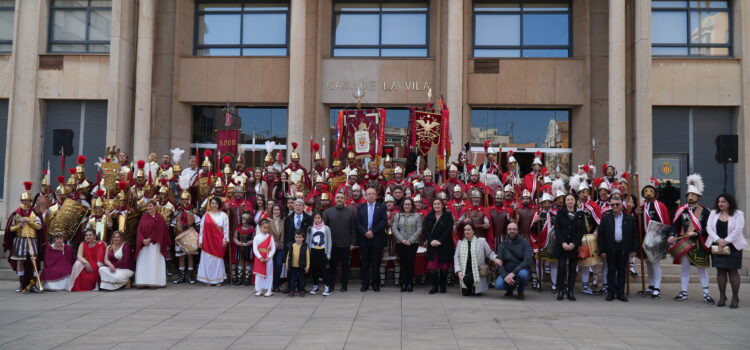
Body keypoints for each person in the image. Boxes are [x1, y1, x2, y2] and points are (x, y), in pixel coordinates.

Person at [668, 174, 713, 303]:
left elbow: (709, 229)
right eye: (688, 195)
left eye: (693, 195)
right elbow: (675, 225)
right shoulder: (682, 210)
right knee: (684, 267)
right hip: (684, 241)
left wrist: (698, 234)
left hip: (699, 242)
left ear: (699, 197)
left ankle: (706, 293)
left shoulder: (705, 211)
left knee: (701, 268)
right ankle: (683, 292)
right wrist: (671, 236)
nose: (690, 197)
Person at [706, 193, 746, 308]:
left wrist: (726, 241)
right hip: (717, 246)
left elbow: (738, 230)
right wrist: (718, 240)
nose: (720, 204)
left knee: (733, 272)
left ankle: (735, 297)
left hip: (733, 246)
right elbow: (709, 227)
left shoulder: (738, 214)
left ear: (729, 202)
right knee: (721, 271)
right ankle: (722, 296)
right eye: (719, 201)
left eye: (723, 201)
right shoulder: (714, 213)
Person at [597, 197, 639, 302]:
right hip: (610, 247)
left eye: (617, 204)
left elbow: (634, 234)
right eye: (613, 205)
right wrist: (602, 250)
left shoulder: (629, 218)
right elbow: (600, 234)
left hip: (624, 247)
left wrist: (634, 249)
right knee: (611, 270)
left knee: (621, 271)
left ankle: (620, 293)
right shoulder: (606, 218)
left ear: (621, 205)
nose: (615, 207)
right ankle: (610, 293)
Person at [4, 182, 43, 293]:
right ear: (21, 201)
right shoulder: (16, 213)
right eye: (24, 201)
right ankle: (22, 284)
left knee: (34, 261)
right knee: (20, 262)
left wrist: (29, 222)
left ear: (31, 201)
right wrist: (19, 226)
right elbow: (10, 229)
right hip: (20, 240)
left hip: (32, 239)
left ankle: (34, 284)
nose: (26, 202)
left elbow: (39, 227)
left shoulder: (35, 212)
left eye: (28, 201)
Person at [637, 177, 671, 298]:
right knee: (648, 263)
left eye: (650, 191)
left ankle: (657, 286)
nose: (648, 193)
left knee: (655, 262)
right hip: (645, 238)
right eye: (646, 191)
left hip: (656, 237)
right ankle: (651, 286)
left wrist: (664, 238)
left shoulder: (660, 206)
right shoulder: (641, 206)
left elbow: (665, 221)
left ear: (655, 193)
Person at [356, 188, 388, 292]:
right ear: (365, 196)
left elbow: (384, 222)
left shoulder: (382, 207)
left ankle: (375, 284)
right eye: (368, 194)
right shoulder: (360, 207)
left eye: (372, 194)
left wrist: (372, 232)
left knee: (376, 263)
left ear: (376, 195)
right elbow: (357, 223)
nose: (370, 196)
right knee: (365, 263)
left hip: (376, 238)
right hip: (364, 239)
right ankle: (364, 284)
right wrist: (365, 232)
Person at [324, 192, 357, 292]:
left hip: (346, 244)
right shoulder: (328, 212)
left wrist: (353, 243)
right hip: (332, 245)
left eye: (341, 198)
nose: (339, 199)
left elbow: (353, 229)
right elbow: (325, 229)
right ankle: (331, 285)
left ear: (345, 199)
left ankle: (344, 285)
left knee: (345, 267)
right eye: (337, 197)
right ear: (334, 199)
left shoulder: (350, 212)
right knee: (332, 266)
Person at [454, 224, 499, 296]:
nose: (466, 231)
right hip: (465, 272)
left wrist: (495, 259)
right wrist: (458, 271)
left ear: (473, 231)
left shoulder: (481, 241)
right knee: (466, 294)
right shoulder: (460, 243)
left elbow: (489, 253)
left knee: (475, 293)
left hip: (477, 272)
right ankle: (467, 284)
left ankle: (474, 286)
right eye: (465, 230)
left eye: (469, 230)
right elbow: (456, 257)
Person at [134, 199, 171, 288]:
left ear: (155, 207)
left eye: (151, 206)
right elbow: (139, 230)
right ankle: (142, 281)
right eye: (148, 206)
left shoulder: (160, 218)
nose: (149, 208)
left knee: (153, 262)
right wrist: (142, 239)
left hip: (154, 244)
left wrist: (150, 239)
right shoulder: (144, 218)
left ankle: (154, 282)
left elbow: (160, 230)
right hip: (144, 245)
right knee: (144, 262)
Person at [554, 194, 584, 301]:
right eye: (568, 200)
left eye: (572, 199)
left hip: (573, 246)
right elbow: (557, 229)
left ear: (575, 201)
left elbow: (581, 230)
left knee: (572, 268)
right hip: (562, 245)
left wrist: (573, 243)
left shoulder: (580, 214)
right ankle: (561, 290)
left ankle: (570, 291)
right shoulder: (560, 213)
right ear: (565, 202)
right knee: (561, 268)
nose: (570, 201)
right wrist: (563, 242)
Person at [424, 198, 455, 294]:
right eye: (435, 204)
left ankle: (443, 286)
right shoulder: (429, 216)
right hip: (432, 244)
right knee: (432, 266)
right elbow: (426, 230)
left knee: (443, 266)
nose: (436, 205)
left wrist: (440, 241)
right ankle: (434, 286)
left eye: (438, 204)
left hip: (444, 244)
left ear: (442, 205)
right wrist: (431, 240)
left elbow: (448, 230)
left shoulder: (448, 215)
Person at [494, 223, 533, 299]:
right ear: (507, 231)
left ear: (518, 231)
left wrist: (513, 273)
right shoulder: (502, 244)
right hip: (507, 271)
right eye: (510, 229)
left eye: (514, 229)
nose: (512, 231)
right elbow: (499, 262)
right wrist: (505, 276)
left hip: (520, 270)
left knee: (523, 275)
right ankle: (510, 288)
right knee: (499, 285)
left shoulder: (525, 243)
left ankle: (520, 291)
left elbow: (528, 260)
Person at [197, 197, 230, 286]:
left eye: (215, 203)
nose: (214, 205)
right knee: (207, 260)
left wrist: (225, 240)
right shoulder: (206, 215)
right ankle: (209, 280)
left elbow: (226, 229)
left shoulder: (223, 215)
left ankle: (218, 279)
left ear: (219, 204)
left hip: (218, 241)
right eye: (212, 203)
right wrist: (200, 241)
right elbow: (202, 229)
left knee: (217, 260)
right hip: (207, 241)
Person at [392, 198, 422, 292]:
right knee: (403, 262)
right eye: (405, 204)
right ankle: (403, 283)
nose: (407, 206)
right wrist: (402, 240)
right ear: (403, 205)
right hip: (401, 243)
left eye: (409, 204)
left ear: (412, 205)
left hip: (413, 243)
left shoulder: (417, 216)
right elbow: (394, 229)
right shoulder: (398, 215)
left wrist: (410, 240)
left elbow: (419, 229)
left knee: (410, 262)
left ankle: (409, 283)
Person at [307, 212, 332, 296]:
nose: (317, 219)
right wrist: (308, 252)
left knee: (324, 270)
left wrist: (328, 253)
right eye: (315, 218)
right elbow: (308, 240)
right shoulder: (310, 228)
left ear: (322, 219)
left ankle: (327, 287)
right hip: (313, 251)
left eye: (318, 218)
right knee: (314, 270)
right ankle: (315, 286)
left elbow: (329, 241)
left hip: (322, 251)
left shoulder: (326, 228)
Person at [253, 219, 276, 296]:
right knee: (259, 274)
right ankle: (259, 289)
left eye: (267, 228)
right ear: (260, 227)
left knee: (269, 274)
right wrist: (260, 257)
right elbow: (255, 249)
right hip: (259, 259)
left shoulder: (270, 237)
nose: (266, 229)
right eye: (264, 227)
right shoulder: (256, 238)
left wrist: (269, 257)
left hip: (268, 259)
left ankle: (269, 289)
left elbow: (273, 248)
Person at [232, 212, 255, 286]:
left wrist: (250, 242)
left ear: (248, 220)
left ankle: (247, 278)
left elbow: (254, 238)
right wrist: (238, 242)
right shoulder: (238, 229)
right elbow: (235, 238)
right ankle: (240, 278)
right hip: (240, 248)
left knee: (247, 262)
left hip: (248, 248)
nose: (242, 221)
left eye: (244, 219)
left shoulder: (251, 229)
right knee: (240, 262)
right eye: (242, 219)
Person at [286, 230, 310, 297]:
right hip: (293, 266)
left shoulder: (305, 247)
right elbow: (288, 256)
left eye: (300, 237)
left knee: (301, 279)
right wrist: (287, 265)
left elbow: (308, 257)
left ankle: (301, 290)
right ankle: (292, 290)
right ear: (294, 237)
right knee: (292, 279)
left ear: (303, 238)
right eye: (296, 237)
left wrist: (307, 266)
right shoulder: (292, 246)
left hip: (301, 266)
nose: (298, 239)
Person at [269, 205, 285, 292]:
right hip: (270, 246)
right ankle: (269, 285)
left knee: (278, 264)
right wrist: (273, 243)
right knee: (270, 266)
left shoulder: (284, 220)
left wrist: (281, 243)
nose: (276, 211)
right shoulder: (268, 221)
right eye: (274, 209)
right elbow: (266, 234)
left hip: (280, 247)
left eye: (278, 209)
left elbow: (284, 233)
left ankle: (276, 284)